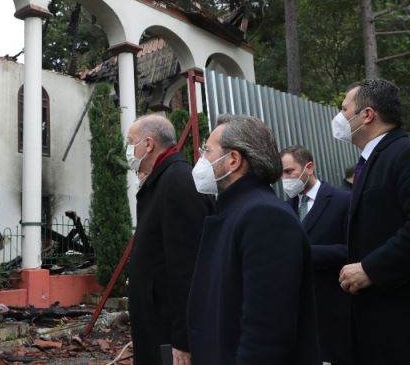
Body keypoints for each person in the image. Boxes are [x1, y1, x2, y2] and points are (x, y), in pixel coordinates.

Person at [186, 115, 319, 365]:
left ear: (233, 160)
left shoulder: (265, 216)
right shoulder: (233, 211)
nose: (201, 158)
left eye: (207, 150)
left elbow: (266, 332)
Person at [125, 114, 212, 365]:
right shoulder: (161, 179)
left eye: (131, 141)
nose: (128, 149)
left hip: (167, 329)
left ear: (149, 144)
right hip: (154, 323)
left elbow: (187, 267)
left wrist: (183, 340)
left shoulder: (177, 181)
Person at [335, 79, 410, 364]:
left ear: (366, 115)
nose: (340, 117)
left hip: (397, 317)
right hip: (375, 316)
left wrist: (371, 268)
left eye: (344, 109)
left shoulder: (402, 152)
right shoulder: (374, 158)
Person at [281, 145, 352, 364]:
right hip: (298, 313)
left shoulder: (343, 200)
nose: (284, 179)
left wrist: (307, 254)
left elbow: (353, 249)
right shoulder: (284, 207)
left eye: (289, 171)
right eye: (281, 173)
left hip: (333, 310)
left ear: (309, 167)